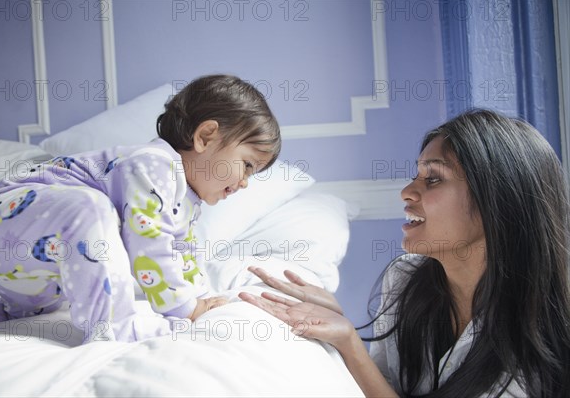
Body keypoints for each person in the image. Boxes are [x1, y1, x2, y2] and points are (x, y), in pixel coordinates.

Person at [240, 109, 570, 397]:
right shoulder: (405, 278)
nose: (407, 192)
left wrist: (350, 344)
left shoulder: (541, 336)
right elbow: (381, 388)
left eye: (433, 179)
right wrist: (341, 328)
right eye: (417, 176)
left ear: (495, 202)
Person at [0, 74, 281, 343]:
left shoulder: (186, 199)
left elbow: (182, 252)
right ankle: (114, 327)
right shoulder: (154, 164)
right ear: (205, 137)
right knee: (90, 207)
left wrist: (201, 299)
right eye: (247, 165)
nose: (245, 183)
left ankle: (1, 313)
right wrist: (184, 309)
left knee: (69, 286)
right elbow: (149, 246)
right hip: (3, 217)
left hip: (28, 260)